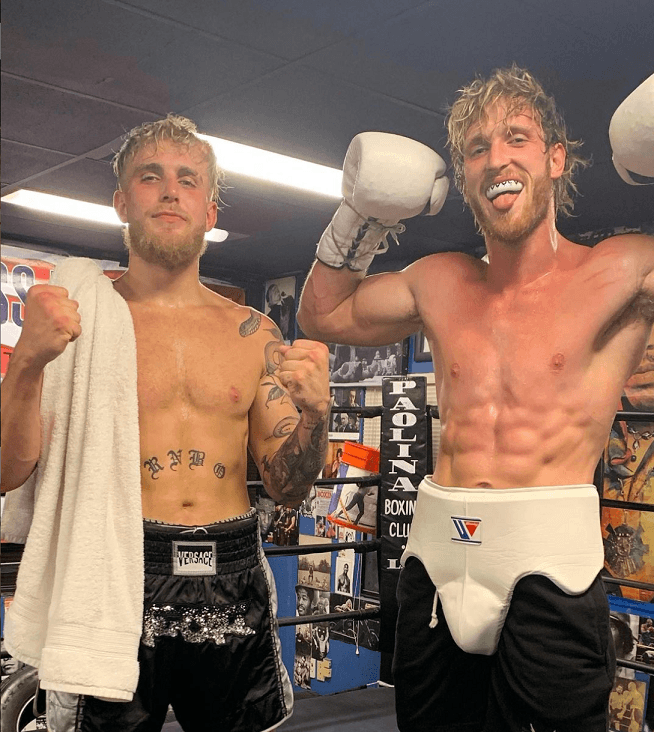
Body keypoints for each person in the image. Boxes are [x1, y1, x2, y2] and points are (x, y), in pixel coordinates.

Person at [298, 66, 654, 732]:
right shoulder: (439, 280)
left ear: (553, 158)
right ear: (463, 179)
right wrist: (360, 212)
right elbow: (324, 314)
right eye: (476, 148)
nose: (496, 158)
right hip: (436, 560)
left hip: (552, 567)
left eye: (515, 137)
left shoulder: (622, 268)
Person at [1, 114, 331, 732]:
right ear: (122, 202)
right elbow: (6, 474)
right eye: (150, 178)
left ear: (210, 210)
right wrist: (25, 364)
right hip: (117, 567)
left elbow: (290, 486)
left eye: (188, 179)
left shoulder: (253, 333)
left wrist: (317, 414)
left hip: (230, 569)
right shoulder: (78, 322)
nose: (170, 190)